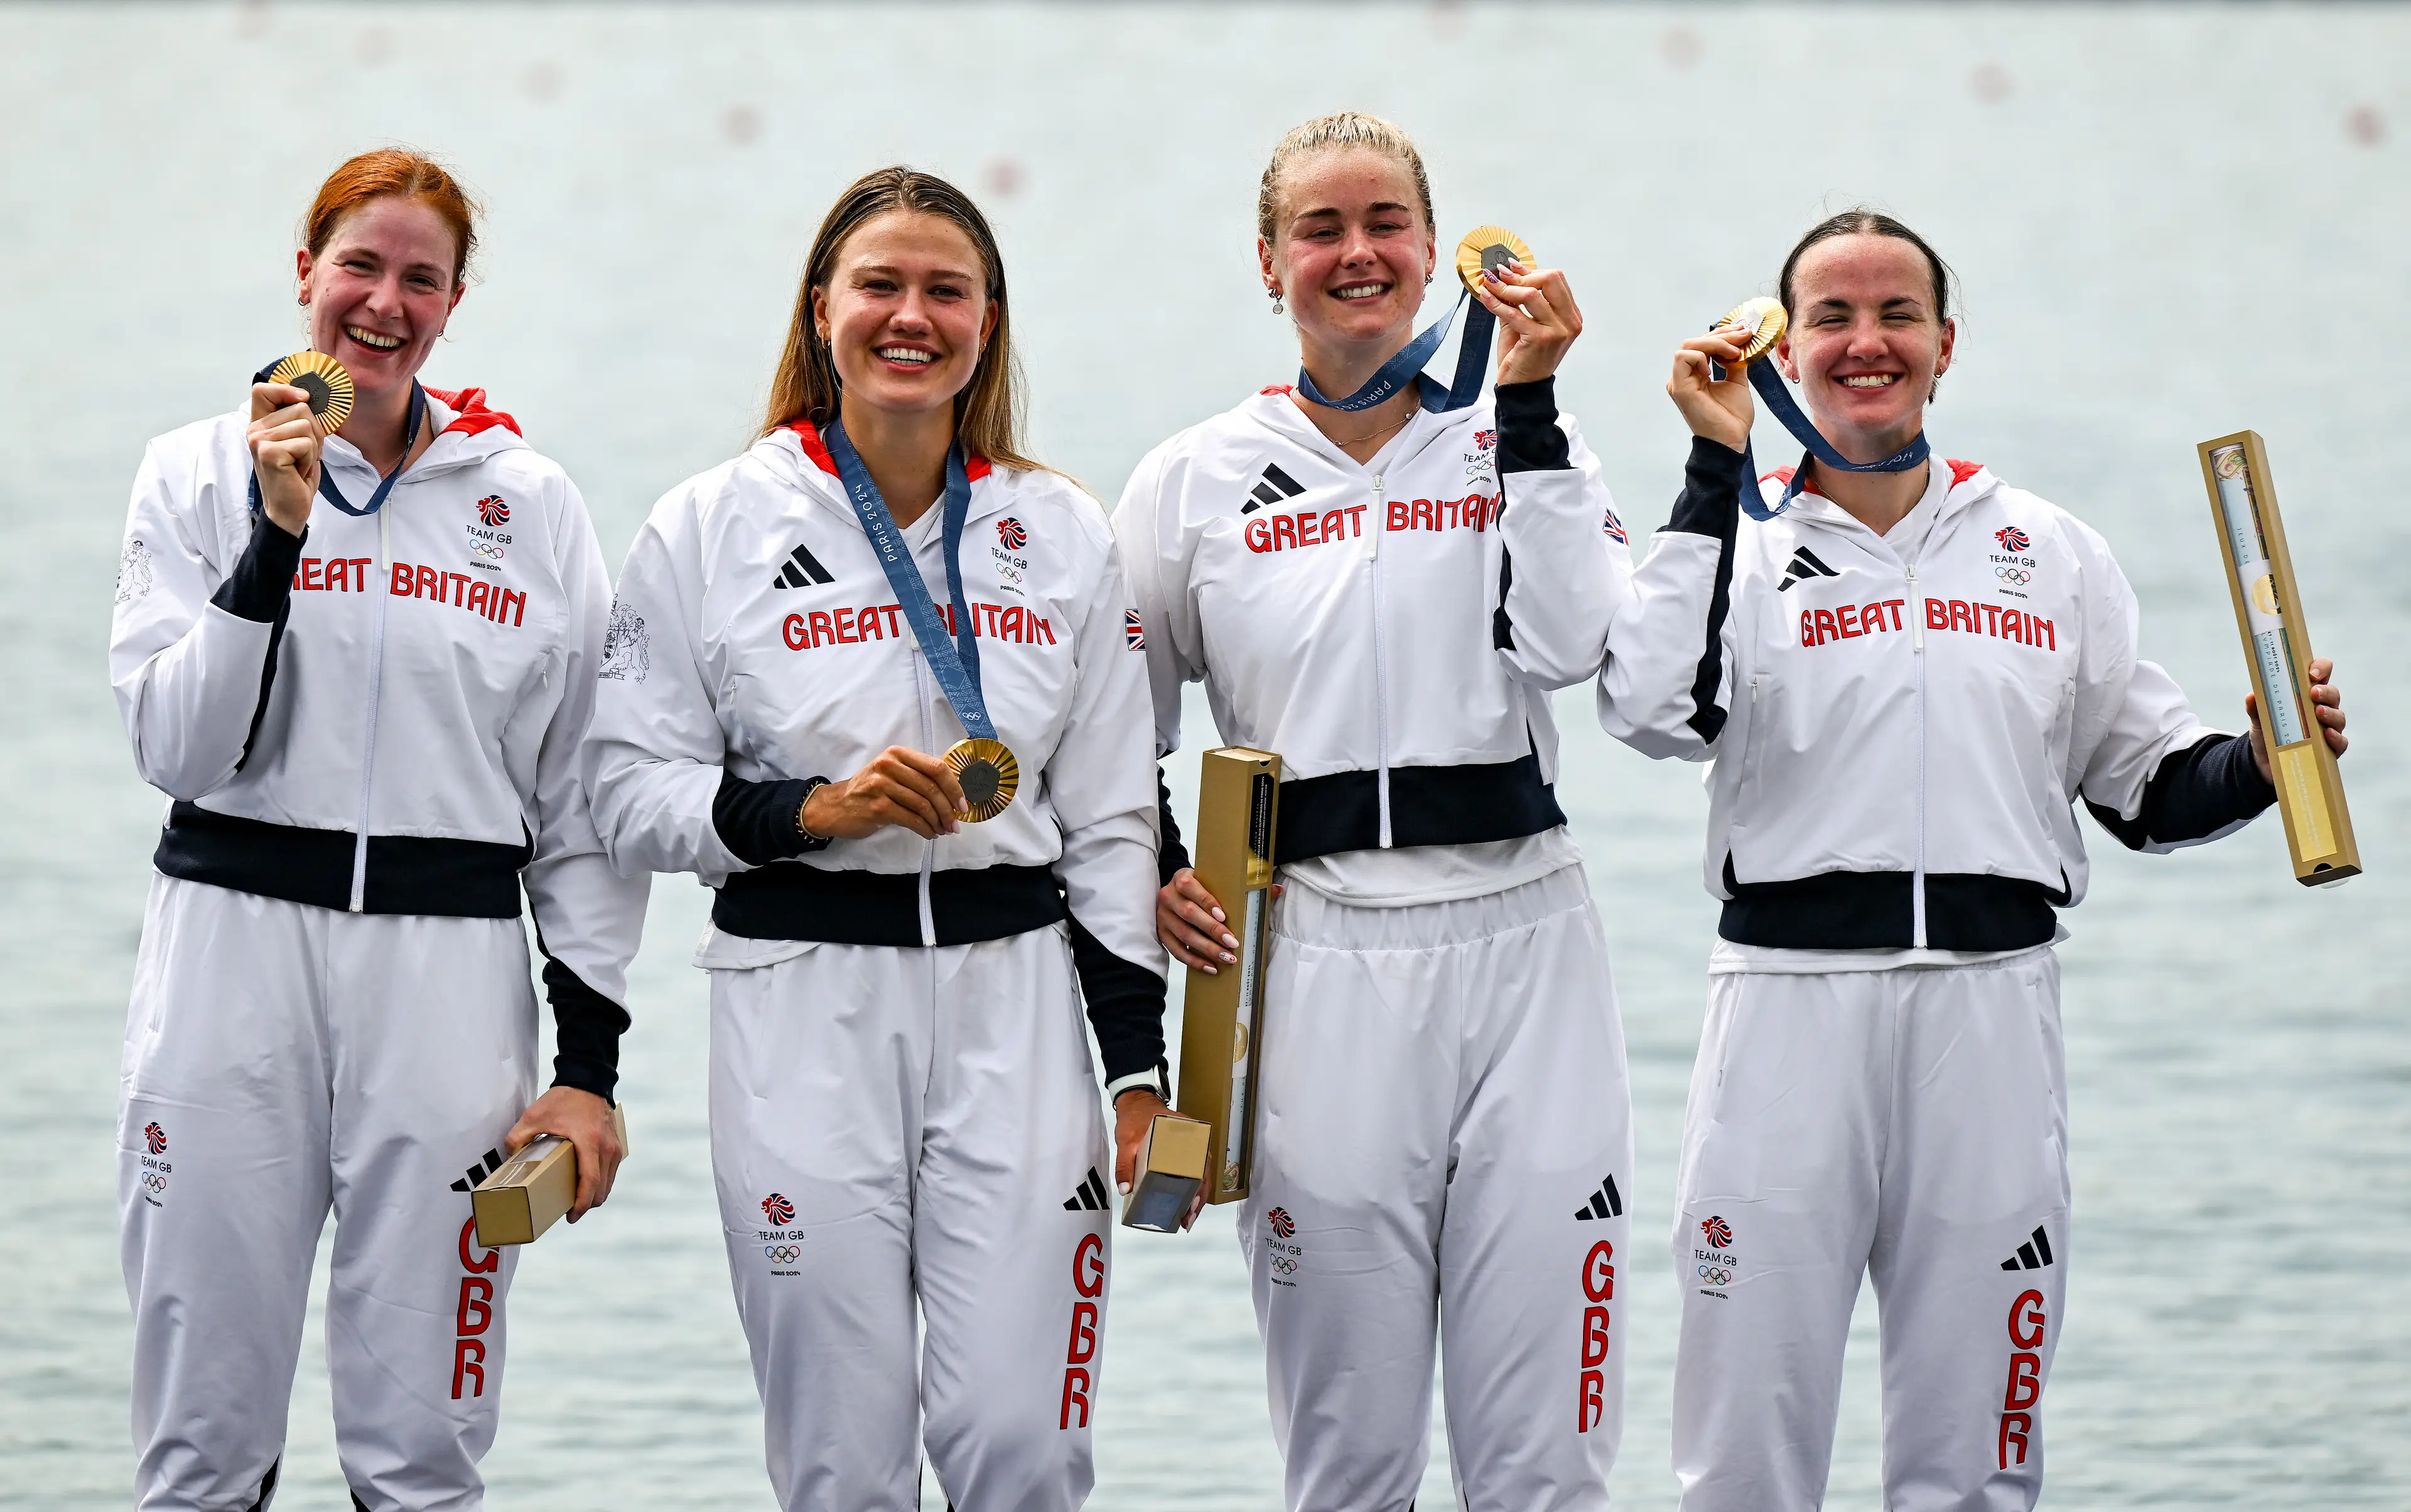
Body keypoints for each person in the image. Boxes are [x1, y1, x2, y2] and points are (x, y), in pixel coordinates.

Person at [1599, 208, 2348, 1512]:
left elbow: (2151, 786)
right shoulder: (1743, 548)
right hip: (1788, 1020)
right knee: (1744, 1453)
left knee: (1981, 1460)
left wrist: (2269, 759)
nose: (1866, 341)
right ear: (1782, 345)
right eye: (1831, 315)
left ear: (1947, 346)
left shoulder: (2050, 551)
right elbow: (1652, 711)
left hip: (1992, 1021)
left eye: (1898, 314)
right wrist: (1712, 470)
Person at [583, 166, 1164, 1512]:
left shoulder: (1059, 528)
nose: (913, 316)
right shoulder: (709, 523)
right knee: (843, 1461)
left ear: (989, 320)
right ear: (822, 307)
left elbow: (1113, 818)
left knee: (1024, 1446)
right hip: (800, 1008)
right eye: (881, 286)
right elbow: (623, 793)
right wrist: (812, 811)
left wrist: (1135, 1067)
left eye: (945, 290)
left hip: (1015, 1006)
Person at [109, 148, 645, 1511]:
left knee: (424, 1450)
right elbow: (177, 748)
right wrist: (272, 541)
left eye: (421, 277)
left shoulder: (528, 503)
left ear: (455, 304)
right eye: (360, 265)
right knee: (202, 1443)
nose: (384, 302)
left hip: (449, 981)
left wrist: (589, 1063)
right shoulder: (191, 471)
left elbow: (578, 804)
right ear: (305, 275)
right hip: (234, 963)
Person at [1113, 112, 1634, 1512]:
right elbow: (1114, 728)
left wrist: (1526, 404)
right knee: (1349, 1457)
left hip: (1526, 937)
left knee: (1545, 1453)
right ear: (1269, 261)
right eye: (1322, 231)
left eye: (1385, 225)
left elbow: (1583, 644)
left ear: (1435, 252)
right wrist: (1162, 863)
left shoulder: (1526, 436)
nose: (1358, 254)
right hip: (1316, 949)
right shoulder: (1192, 479)